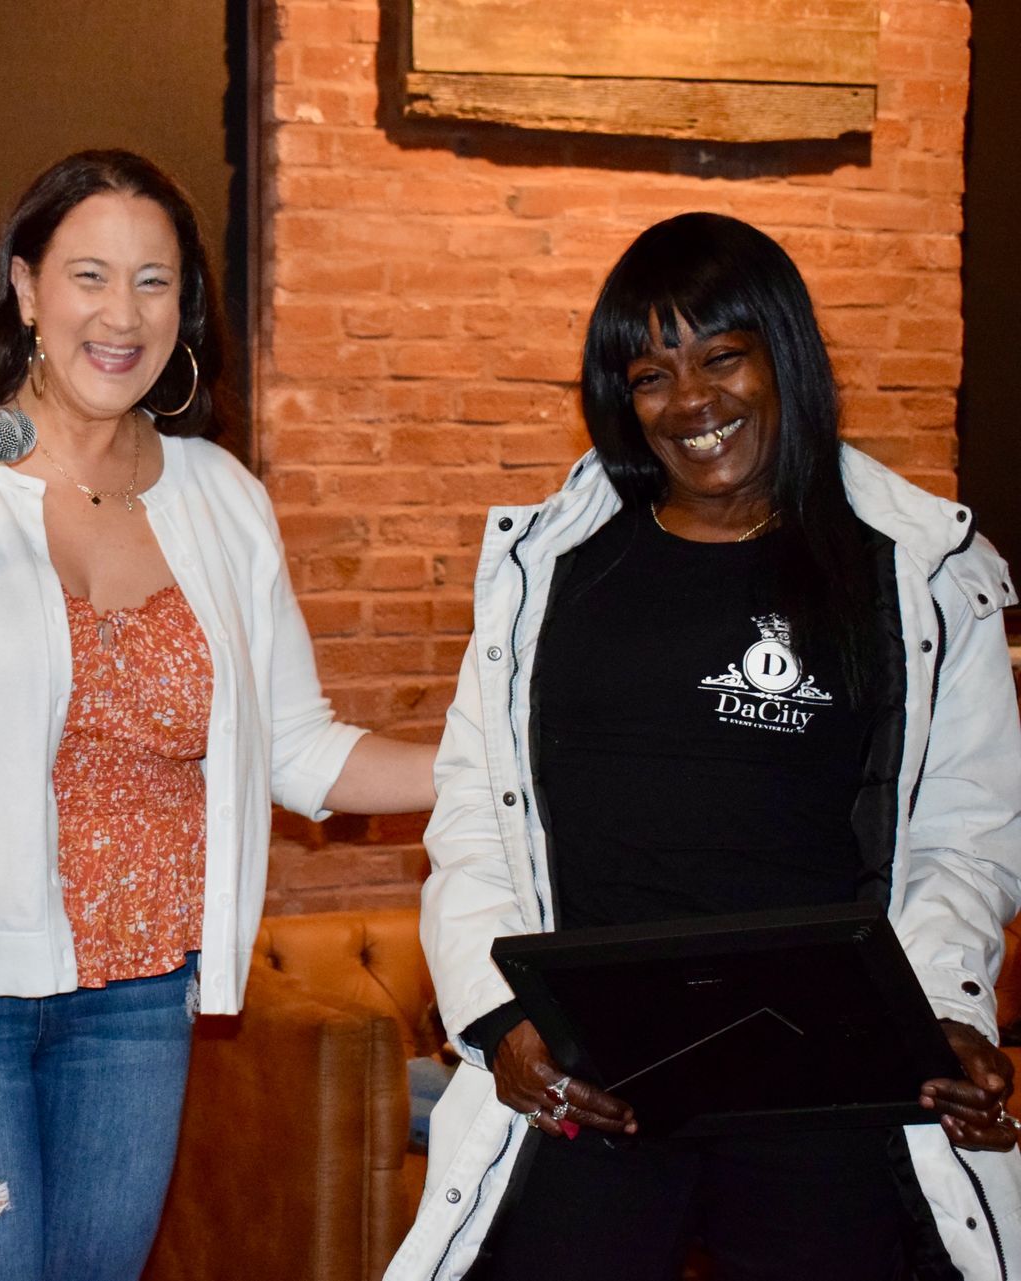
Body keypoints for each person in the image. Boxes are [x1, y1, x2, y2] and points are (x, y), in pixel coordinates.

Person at [0, 149, 437, 1281]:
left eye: (153, 282)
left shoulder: (222, 500)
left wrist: (505, 759)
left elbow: (301, 752)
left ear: (184, 306)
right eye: (90, 276)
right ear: (26, 290)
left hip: (135, 1006)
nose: (121, 314)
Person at [384, 212, 1021, 1281]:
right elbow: (473, 819)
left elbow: (967, 831)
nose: (692, 403)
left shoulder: (918, 573)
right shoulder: (554, 573)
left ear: (786, 356)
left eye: (722, 358)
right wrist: (502, 1022)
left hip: (823, 1078)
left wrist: (949, 1011)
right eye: (650, 375)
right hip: (597, 1074)